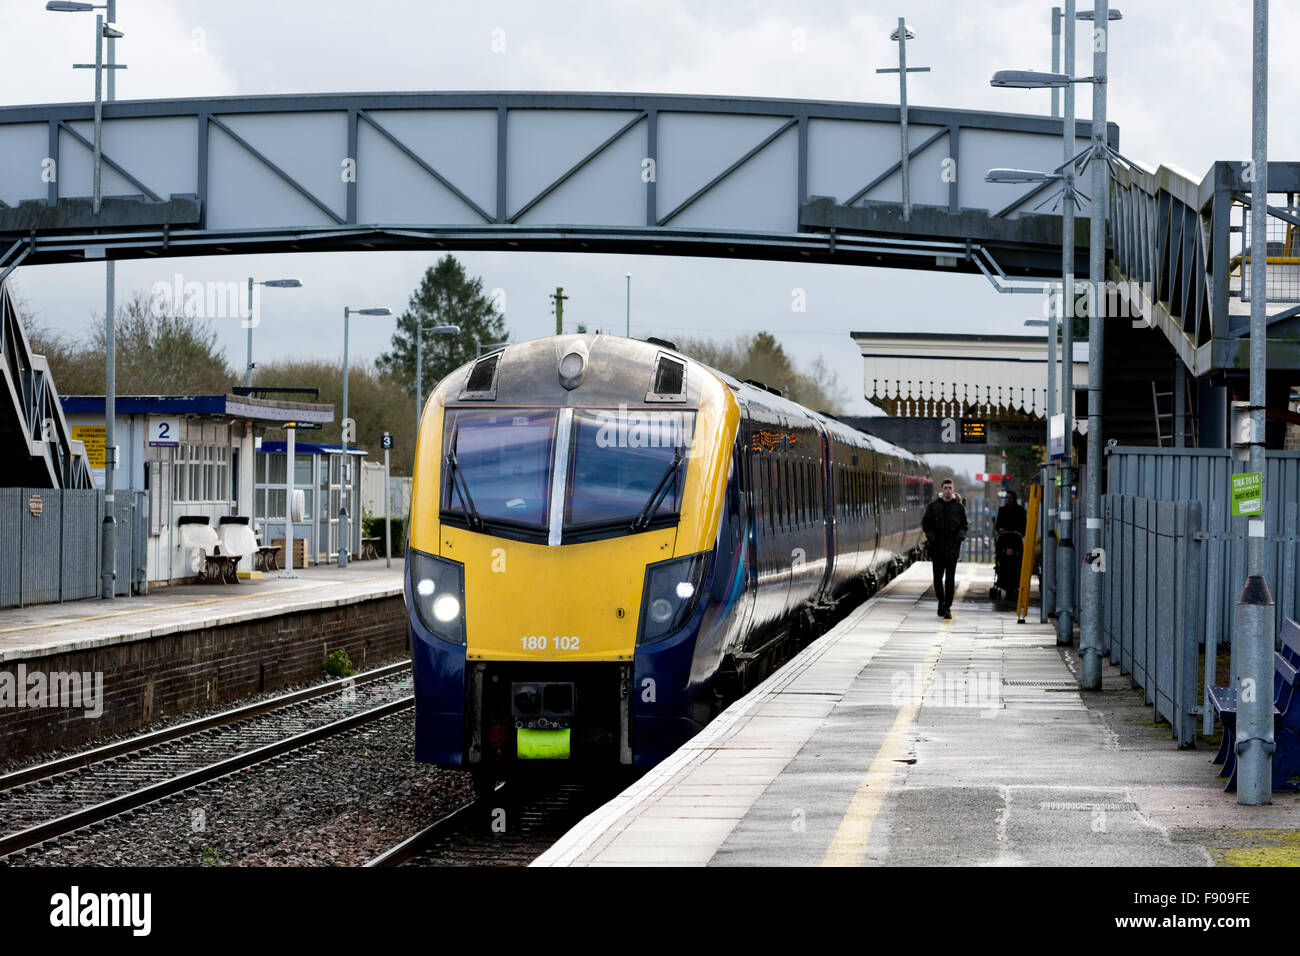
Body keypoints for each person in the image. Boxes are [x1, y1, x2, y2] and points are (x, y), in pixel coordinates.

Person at [922, 478, 967, 619]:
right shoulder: (933, 506)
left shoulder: (958, 508)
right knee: (937, 579)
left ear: (953, 490)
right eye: (945, 488)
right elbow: (926, 524)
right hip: (937, 549)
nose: (948, 490)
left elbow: (964, 525)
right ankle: (941, 601)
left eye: (950, 488)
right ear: (941, 490)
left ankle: (947, 606)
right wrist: (931, 537)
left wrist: (960, 535)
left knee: (950, 580)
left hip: (952, 549)